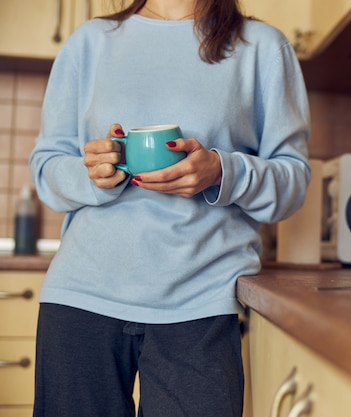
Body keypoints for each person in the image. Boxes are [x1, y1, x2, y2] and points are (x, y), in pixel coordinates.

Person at [29, 0, 311, 415]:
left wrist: (221, 171)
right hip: (82, 297)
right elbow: (46, 169)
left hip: (202, 301)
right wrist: (94, 174)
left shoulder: (263, 47)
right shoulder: (88, 42)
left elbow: (294, 181)